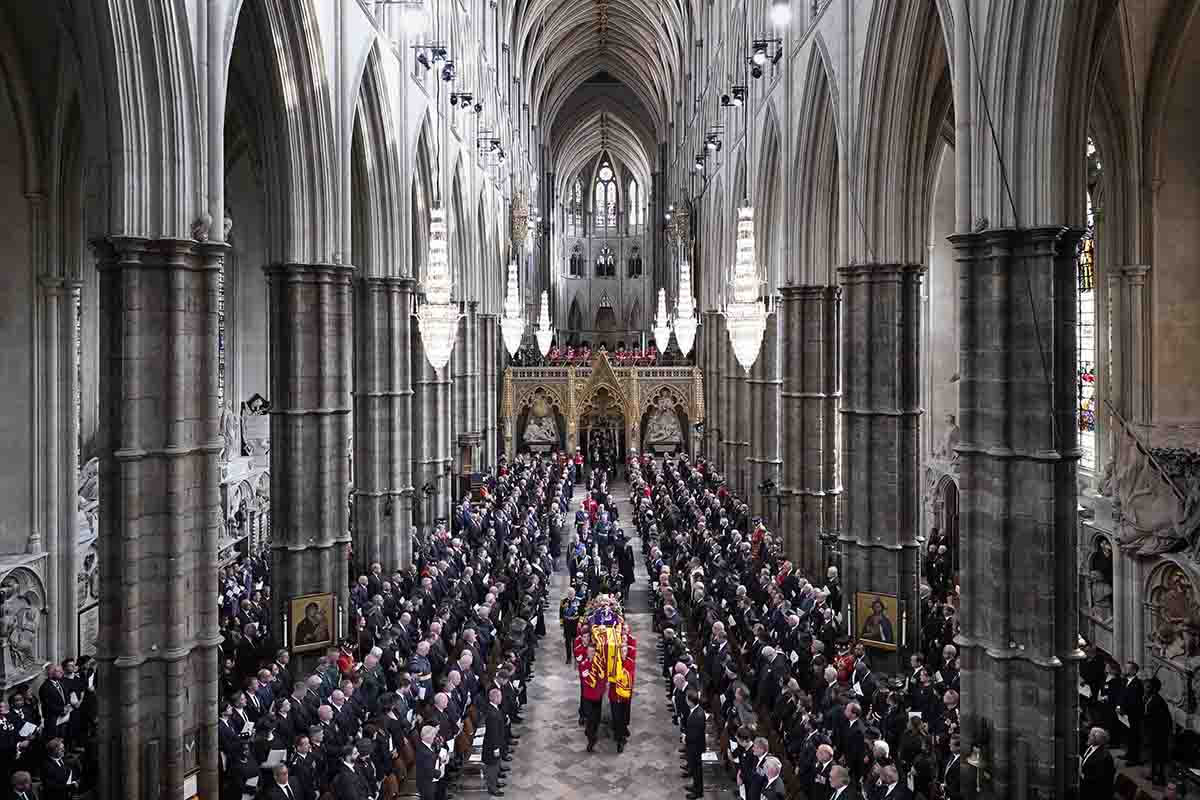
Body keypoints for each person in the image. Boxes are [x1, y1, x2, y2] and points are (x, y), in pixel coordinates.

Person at [579, 644, 606, 752]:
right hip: (588, 696)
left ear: (595, 652)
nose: (591, 653)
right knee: (590, 718)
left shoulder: (599, 664)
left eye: (593, 651)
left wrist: (601, 690)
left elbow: (602, 678)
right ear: (587, 652)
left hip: (597, 696)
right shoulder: (583, 664)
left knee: (596, 718)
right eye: (589, 651)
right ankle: (591, 739)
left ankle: (593, 733)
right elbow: (586, 679)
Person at [1145, 677, 1172, 785]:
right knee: (1154, 755)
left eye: (1148, 687)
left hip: (1159, 733)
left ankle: (1160, 778)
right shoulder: (1152, 698)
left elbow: (1161, 719)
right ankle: (1153, 774)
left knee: (1159, 756)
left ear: (1154, 688)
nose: (1145, 688)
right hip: (1153, 732)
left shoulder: (1158, 700)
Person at [1118, 661, 1144, 765]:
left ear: (1134, 671)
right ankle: (1129, 754)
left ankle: (1134, 759)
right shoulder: (1125, 681)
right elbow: (1121, 695)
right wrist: (1119, 706)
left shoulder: (1137, 684)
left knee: (1134, 737)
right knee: (1128, 736)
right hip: (1125, 713)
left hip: (1134, 714)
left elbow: (1134, 701)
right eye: (1125, 667)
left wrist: (1124, 709)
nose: (1125, 670)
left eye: (1128, 668)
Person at [482, 687, 506, 797]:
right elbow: (493, 733)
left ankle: (495, 783)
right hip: (492, 746)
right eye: (500, 696)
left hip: (496, 744)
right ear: (495, 698)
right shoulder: (492, 714)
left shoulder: (494, 709)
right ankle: (492, 788)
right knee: (492, 767)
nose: (501, 698)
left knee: (496, 766)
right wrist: (496, 748)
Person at [1079, 726, 1116, 798]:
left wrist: (1081, 774)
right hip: (1086, 783)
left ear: (1097, 739)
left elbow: (1099, 779)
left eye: (1091, 735)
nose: (1088, 736)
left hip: (1096, 792)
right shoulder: (1091, 746)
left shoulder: (1103, 757)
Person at [684, 689, 706, 800]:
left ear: (690, 701)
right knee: (695, 769)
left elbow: (695, 735)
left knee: (697, 770)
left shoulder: (697, 715)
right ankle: (695, 786)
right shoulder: (696, 710)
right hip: (694, 746)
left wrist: (685, 738)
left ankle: (698, 792)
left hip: (696, 748)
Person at [414, 725, 441, 800]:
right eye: (433, 735)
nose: (434, 737)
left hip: (424, 783)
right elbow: (430, 772)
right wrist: (439, 773)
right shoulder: (426, 753)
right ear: (428, 736)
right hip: (427, 785)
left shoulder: (422, 746)